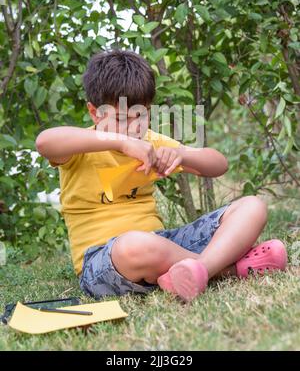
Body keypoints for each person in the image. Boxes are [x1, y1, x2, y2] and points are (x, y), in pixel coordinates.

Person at [35, 49, 287, 302]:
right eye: (123, 118)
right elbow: (45, 142)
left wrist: (182, 156)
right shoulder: (82, 145)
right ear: (95, 113)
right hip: (105, 260)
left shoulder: (151, 142)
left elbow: (218, 164)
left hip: (161, 244)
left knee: (252, 206)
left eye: (141, 115)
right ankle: (226, 269)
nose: (134, 127)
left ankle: (197, 270)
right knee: (135, 245)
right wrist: (120, 143)